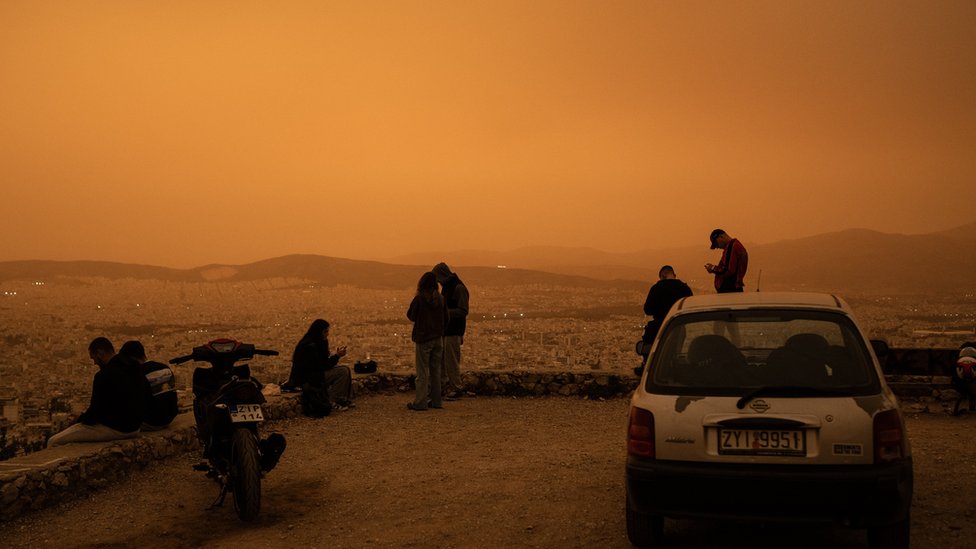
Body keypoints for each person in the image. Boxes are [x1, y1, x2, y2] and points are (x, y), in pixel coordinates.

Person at [47, 337, 149, 447]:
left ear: (100, 353)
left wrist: (79, 420)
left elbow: (94, 413)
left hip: (117, 429)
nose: (95, 363)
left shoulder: (104, 375)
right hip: (135, 428)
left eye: (93, 358)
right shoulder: (134, 368)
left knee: (53, 441)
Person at [635, 265, 693, 375]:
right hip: (679, 326)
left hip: (659, 325)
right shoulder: (684, 288)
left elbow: (648, 309)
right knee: (675, 352)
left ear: (662, 276)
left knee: (652, 350)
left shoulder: (656, 288)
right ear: (674, 275)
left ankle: (646, 367)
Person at [287, 319, 354, 414]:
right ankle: (333, 401)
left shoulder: (318, 342)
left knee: (345, 369)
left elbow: (323, 363)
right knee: (343, 372)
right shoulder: (309, 345)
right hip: (309, 378)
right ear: (319, 331)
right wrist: (337, 356)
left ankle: (343, 399)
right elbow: (321, 365)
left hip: (315, 374)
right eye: (325, 331)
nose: (327, 334)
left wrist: (335, 356)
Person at [406, 271, 448, 411]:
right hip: (438, 339)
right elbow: (447, 318)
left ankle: (420, 402)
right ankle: (436, 401)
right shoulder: (441, 299)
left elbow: (411, 316)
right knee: (436, 371)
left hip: (424, 338)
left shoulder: (419, 299)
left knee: (422, 371)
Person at [119, 340, 179, 430]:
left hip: (151, 422)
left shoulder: (136, 373)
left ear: (131, 359)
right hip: (169, 419)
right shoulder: (164, 368)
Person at [432, 262, 469, 399]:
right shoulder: (448, 288)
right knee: (442, 361)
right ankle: (443, 387)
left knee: (451, 361)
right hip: (446, 330)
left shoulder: (458, 288)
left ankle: (456, 387)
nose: (439, 283)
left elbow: (463, 310)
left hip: (454, 330)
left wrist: (445, 312)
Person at [705, 228, 749, 293]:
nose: (717, 247)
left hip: (729, 290)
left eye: (716, 243)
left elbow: (727, 270)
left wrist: (712, 268)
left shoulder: (732, 246)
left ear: (721, 237)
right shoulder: (736, 246)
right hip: (734, 288)